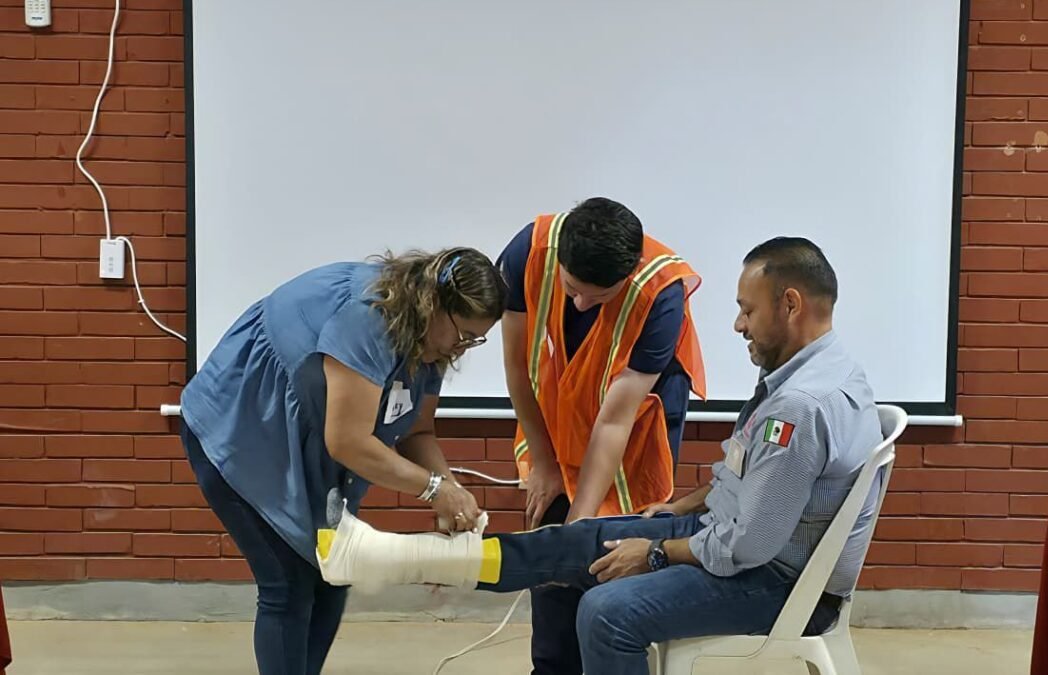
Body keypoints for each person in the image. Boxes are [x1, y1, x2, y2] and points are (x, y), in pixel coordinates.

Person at [317, 237, 885, 675]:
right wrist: (675, 508)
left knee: (609, 612)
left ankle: (385, 560)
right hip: (742, 544)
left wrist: (659, 553)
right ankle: (391, 559)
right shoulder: (814, 374)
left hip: (779, 582)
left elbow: (750, 546)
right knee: (575, 539)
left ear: (790, 303)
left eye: (747, 309)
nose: (738, 324)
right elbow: (749, 479)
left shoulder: (802, 407)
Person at [178, 247, 508, 675]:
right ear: (434, 303)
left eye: (475, 340)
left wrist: (451, 491)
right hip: (242, 432)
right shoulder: (368, 318)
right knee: (289, 584)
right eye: (463, 335)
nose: (463, 349)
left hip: (308, 441)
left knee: (333, 576)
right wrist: (433, 490)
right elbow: (349, 443)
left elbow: (417, 432)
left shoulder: (434, 343)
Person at [496, 197, 706, 674]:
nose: (581, 304)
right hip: (558, 409)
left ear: (627, 276)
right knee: (551, 540)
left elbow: (615, 420)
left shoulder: (660, 292)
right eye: (572, 288)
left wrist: (581, 528)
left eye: (599, 297)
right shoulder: (526, 252)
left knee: (608, 549)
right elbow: (516, 366)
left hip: (631, 429)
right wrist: (547, 465)